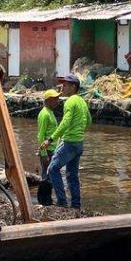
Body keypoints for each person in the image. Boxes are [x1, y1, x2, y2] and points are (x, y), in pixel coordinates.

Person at [42, 73, 91, 209]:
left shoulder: (70, 101)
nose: (63, 87)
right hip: (79, 143)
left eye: (66, 85)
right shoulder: (82, 102)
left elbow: (65, 122)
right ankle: (76, 204)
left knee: (53, 169)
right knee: (72, 174)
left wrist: (51, 139)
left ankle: (62, 202)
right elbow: (89, 120)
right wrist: (79, 130)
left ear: (73, 86)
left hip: (69, 142)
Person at [36, 88, 60, 178]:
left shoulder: (50, 112)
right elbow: (40, 135)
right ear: (49, 100)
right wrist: (44, 154)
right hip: (48, 151)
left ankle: (47, 192)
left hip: (53, 150)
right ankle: (43, 192)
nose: (58, 101)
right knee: (46, 177)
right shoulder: (45, 114)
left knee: (51, 176)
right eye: (55, 99)